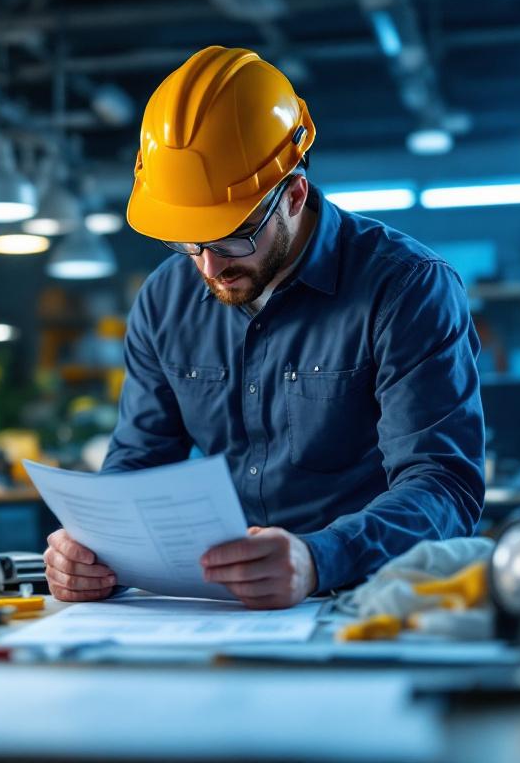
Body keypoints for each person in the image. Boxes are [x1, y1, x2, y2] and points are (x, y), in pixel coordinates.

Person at [43, 46, 485, 610]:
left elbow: (444, 487)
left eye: (231, 237)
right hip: (222, 607)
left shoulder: (407, 288)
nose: (207, 266)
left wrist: (318, 559)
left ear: (294, 195)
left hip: (373, 599)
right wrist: (94, 550)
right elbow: (138, 463)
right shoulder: (164, 297)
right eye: (186, 240)